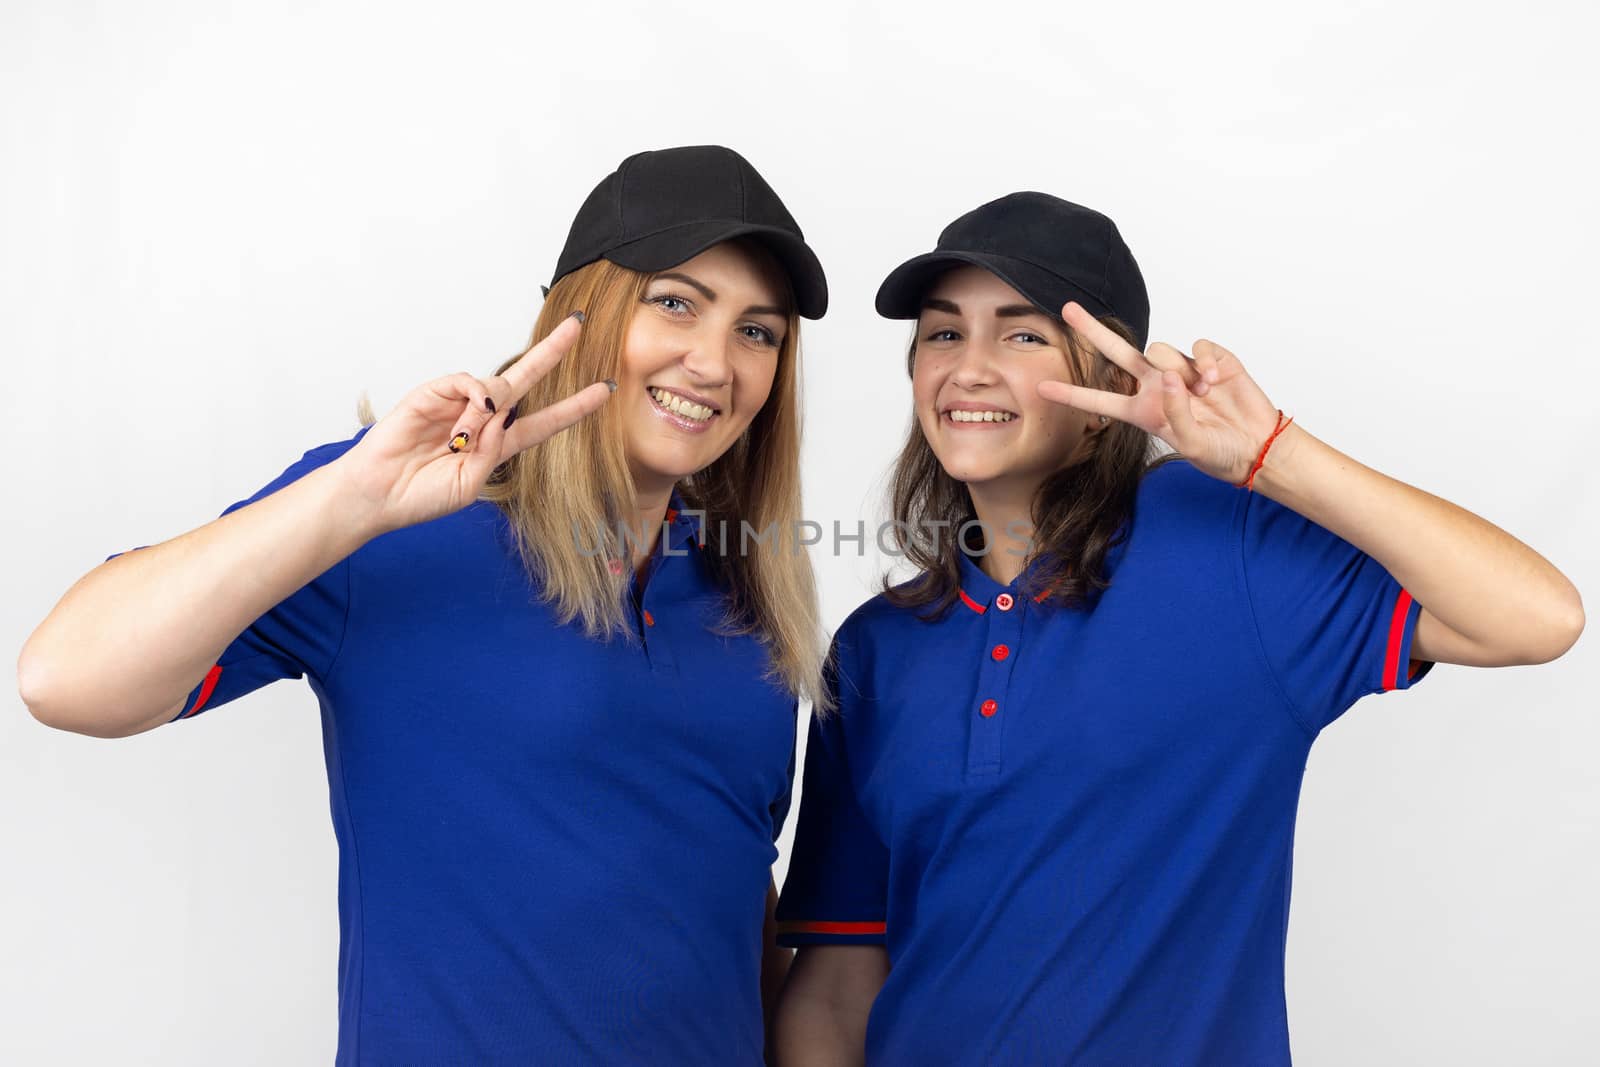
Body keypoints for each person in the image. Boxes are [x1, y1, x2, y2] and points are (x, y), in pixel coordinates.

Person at [19, 144, 830, 1064]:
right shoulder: (390, 523)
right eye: (675, 302)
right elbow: (64, 679)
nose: (715, 362)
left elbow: (722, 897)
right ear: (585, 313)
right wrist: (349, 500)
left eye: (758, 332)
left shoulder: (750, 598)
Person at [771, 192, 1585, 1064]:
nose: (968, 369)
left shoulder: (1230, 550)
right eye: (943, 333)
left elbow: (1538, 617)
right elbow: (836, 985)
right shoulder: (876, 647)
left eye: (1022, 334)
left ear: (1108, 387)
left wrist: (1273, 452)